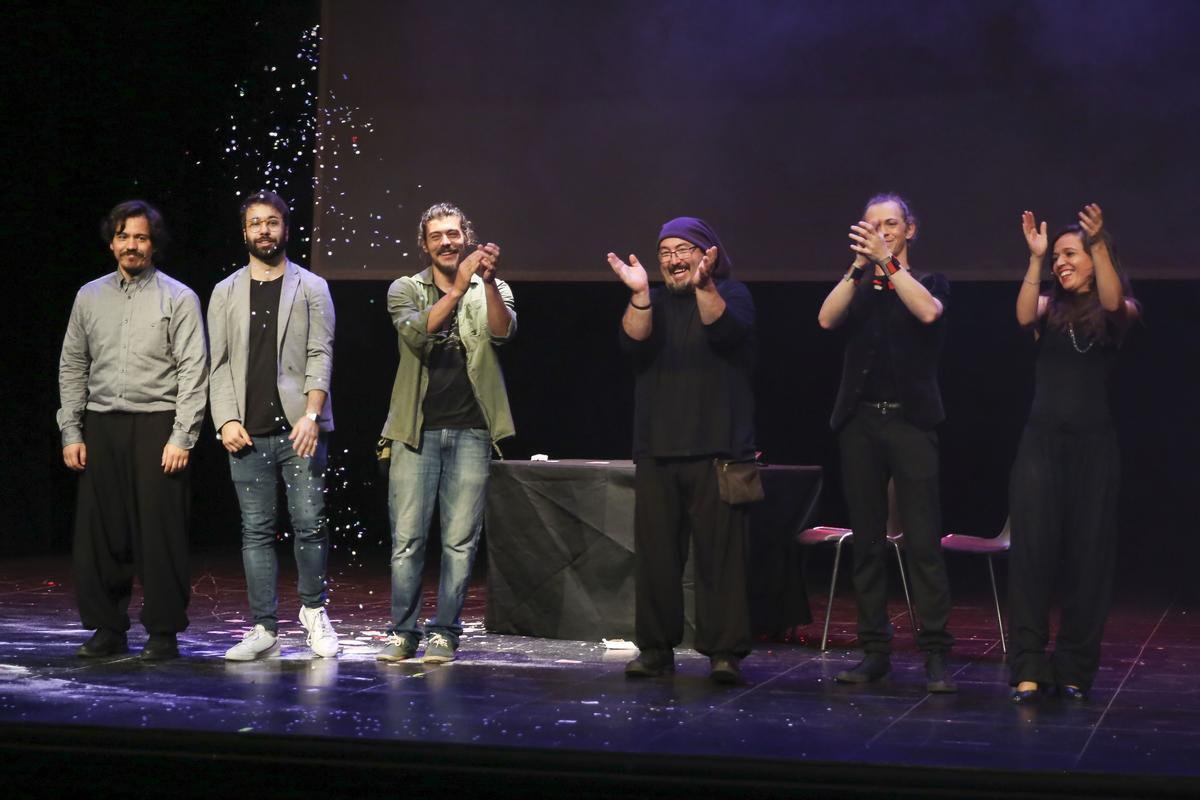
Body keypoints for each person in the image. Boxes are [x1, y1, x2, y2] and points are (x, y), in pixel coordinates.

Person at [817, 193, 956, 693]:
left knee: (922, 542)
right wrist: (859, 267)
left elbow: (927, 313)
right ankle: (874, 652)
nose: (881, 231)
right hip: (860, 425)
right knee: (868, 543)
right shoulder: (860, 284)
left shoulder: (930, 282)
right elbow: (826, 319)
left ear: (909, 230)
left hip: (911, 424)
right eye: (872, 225)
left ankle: (936, 654)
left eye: (890, 223)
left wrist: (887, 263)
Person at [57, 200, 208, 660]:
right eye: (124, 236)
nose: (132, 245)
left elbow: (193, 371)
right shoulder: (89, 295)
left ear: (153, 243)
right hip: (101, 425)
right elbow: (72, 365)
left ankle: (163, 633)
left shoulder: (178, 297)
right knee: (102, 536)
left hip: (156, 424)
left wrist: (182, 437)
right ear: (112, 242)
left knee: (160, 535)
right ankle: (107, 627)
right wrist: (71, 431)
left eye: (140, 237)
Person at [609, 217, 756, 685]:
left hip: (719, 450)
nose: (673, 259)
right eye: (665, 252)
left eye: (683, 249)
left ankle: (724, 653)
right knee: (655, 559)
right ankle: (655, 649)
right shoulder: (651, 301)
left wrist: (705, 285)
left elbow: (725, 333)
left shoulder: (731, 293)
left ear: (707, 253)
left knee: (721, 559)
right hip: (657, 449)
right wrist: (637, 296)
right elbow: (631, 346)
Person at [1008, 204, 1139, 703]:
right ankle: (1028, 665)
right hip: (1040, 448)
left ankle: (1075, 668)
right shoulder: (1048, 308)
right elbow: (1022, 314)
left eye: (1069, 254)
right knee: (1033, 557)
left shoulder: (1122, 310)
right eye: (1058, 256)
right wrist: (1036, 259)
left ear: (1094, 258)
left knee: (1088, 560)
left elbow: (1109, 302)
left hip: (1094, 451)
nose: (1062, 263)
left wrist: (1100, 241)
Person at [376, 203, 516, 664]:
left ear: (466, 236)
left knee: (459, 542)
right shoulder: (405, 289)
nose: (447, 242)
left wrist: (488, 283)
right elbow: (415, 334)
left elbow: (503, 332)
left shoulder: (488, 286)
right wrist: (455, 291)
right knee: (408, 540)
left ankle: (445, 632)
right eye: (437, 236)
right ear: (425, 243)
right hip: (415, 431)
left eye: (454, 234)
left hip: (472, 429)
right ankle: (403, 631)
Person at [208, 190, 338, 661]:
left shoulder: (311, 286)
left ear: (286, 228)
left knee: (309, 524)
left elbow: (320, 354)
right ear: (244, 232)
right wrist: (224, 419)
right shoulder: (225, 291)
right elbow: (217, 365)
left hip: (299, 429)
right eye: (255, 223)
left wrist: (311, 414)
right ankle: (264, 627)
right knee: (256, 531)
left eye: (272, 222)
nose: (264, 230)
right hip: (246, 431)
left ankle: (313, 612)